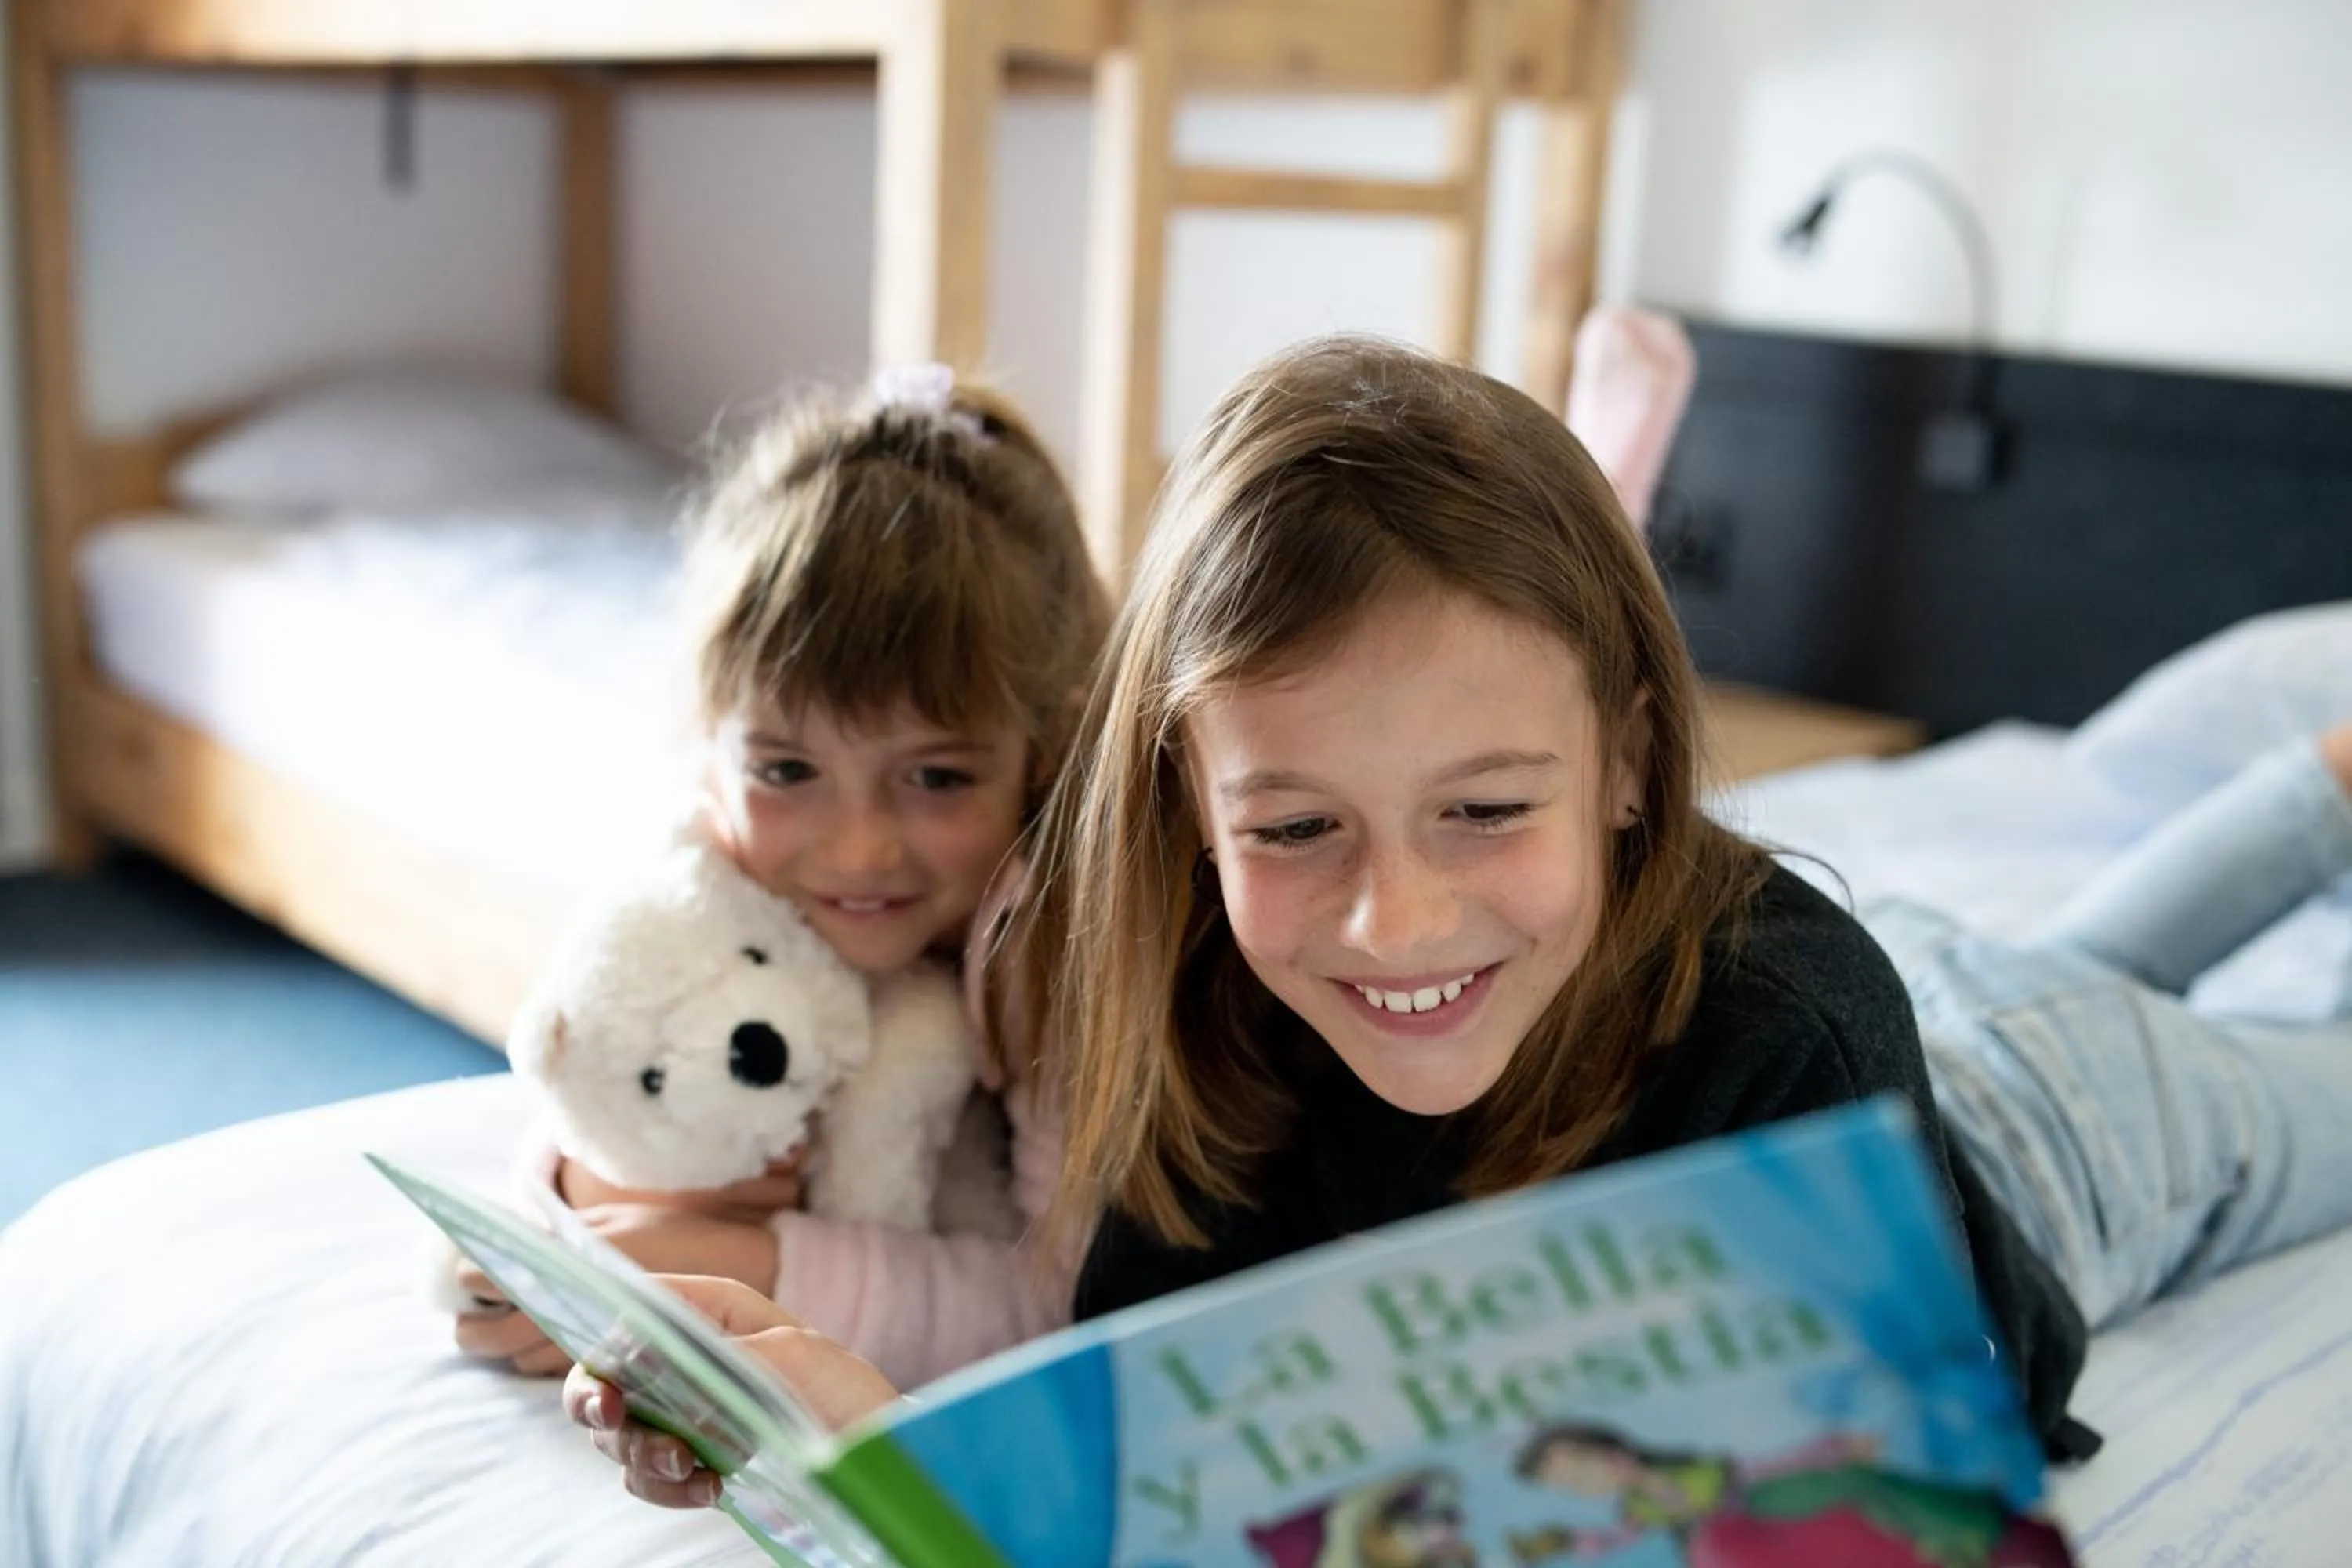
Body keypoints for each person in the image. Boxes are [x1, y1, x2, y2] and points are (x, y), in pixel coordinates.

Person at [567, 336, 2352, 1517]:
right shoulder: (1194, 1008)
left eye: (1487, 809)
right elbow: (1176, 1464)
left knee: (2171, 1030)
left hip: (2061, 1135)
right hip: (1920, 992)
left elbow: (1896, 1496)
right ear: (1195, 805)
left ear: (1630, 764)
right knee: (2072, 947)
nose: (1392, 916)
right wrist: (863, 1441)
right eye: (1293, 828)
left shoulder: (1790, 1031)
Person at [453, 363, 1108, 1395]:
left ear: (1044, 752)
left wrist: (744, 1270)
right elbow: (595, 1100)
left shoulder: (1067, 953)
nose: (856, 850)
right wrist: (571, 1225)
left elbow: (1066, 1308)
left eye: (936, 777)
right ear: (714, 748)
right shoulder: (715, 861)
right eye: (787, 771)